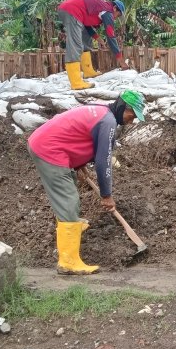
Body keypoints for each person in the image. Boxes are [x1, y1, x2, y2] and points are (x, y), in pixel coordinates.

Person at [27, 90, 146, 275]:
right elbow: (103, 161)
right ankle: (68, 262)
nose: (133, 120)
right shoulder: (108, 122)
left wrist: (79, 164)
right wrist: (107, 195)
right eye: (132, 114)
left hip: (48, 144)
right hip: (49, 150)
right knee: (68, 200)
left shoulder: (102, 112)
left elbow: (77, 135)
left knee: (69, 192)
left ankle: (71, 225)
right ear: (124, 107)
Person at [57, 0, 127, 90]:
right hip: (72, 10)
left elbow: (87, 26)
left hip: (71, 9)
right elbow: (111, 37)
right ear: (115, 8)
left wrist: (97, 38)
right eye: (118, 15)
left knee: (86, 38)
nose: (115, 18)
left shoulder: (102, 8)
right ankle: (76, 83)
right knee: (75, 45)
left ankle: (88, 71)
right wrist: (121, 60)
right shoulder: (108, 12)